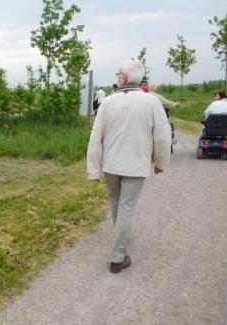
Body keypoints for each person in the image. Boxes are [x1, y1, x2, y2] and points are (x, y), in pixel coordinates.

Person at [86, 59, 171, 274]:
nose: (117, 77)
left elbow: (96, 138)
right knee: (126, 207)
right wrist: (161, 162)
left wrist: (93, 169)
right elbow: (162, 135)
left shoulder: (107, 103)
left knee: (117, 204)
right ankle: (117, 257)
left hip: (111, 165)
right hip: (136, 165)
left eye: (118, 74)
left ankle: (120, 238)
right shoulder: (151, 102)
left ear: (123, 78)